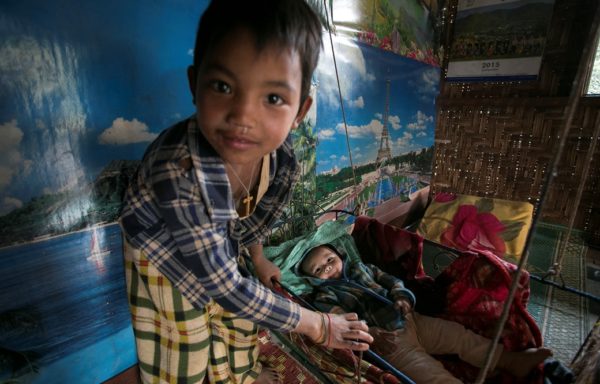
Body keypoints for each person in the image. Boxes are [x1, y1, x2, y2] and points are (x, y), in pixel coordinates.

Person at [119, 1, 372, 383]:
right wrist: (318, 325)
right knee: (185, 343)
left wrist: (257, 258)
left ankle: (239, 377)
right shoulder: (178, 168)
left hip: (221, 244)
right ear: (194, 84)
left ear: (299, 112)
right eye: (223, 87)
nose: (243, 117)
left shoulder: (284, 161)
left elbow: (250, 227)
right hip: (161, 250)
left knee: (241, 323)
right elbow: (222, 286)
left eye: (272, 98)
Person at [297, 244, 553, 384]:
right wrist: (371, 334)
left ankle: (507, 360)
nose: (328, 268)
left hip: (412, 319)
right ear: (313, 280)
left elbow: (393, 281)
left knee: (458, 336)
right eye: (318, 269)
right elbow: (342, 323)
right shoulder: (325, 297)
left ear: (340, 255)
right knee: (429, 374)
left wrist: (402, 296)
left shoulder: (363, 268)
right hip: (389, 343)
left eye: (330, 259)